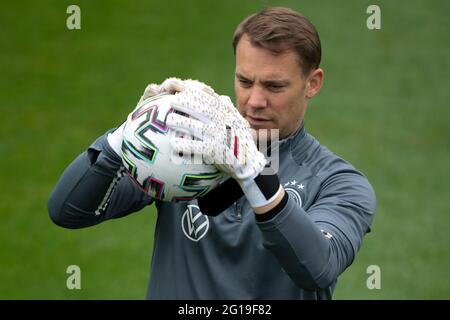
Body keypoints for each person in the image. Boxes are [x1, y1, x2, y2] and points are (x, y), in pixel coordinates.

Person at [48, 7, 376, 299]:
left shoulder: (340, 184)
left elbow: (317, 268)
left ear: (313, 83)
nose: (255, 101)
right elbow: (69, 212)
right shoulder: (185, 148)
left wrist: (252, 170)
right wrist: (123, 139)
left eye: (274, 87)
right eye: (245, 82)